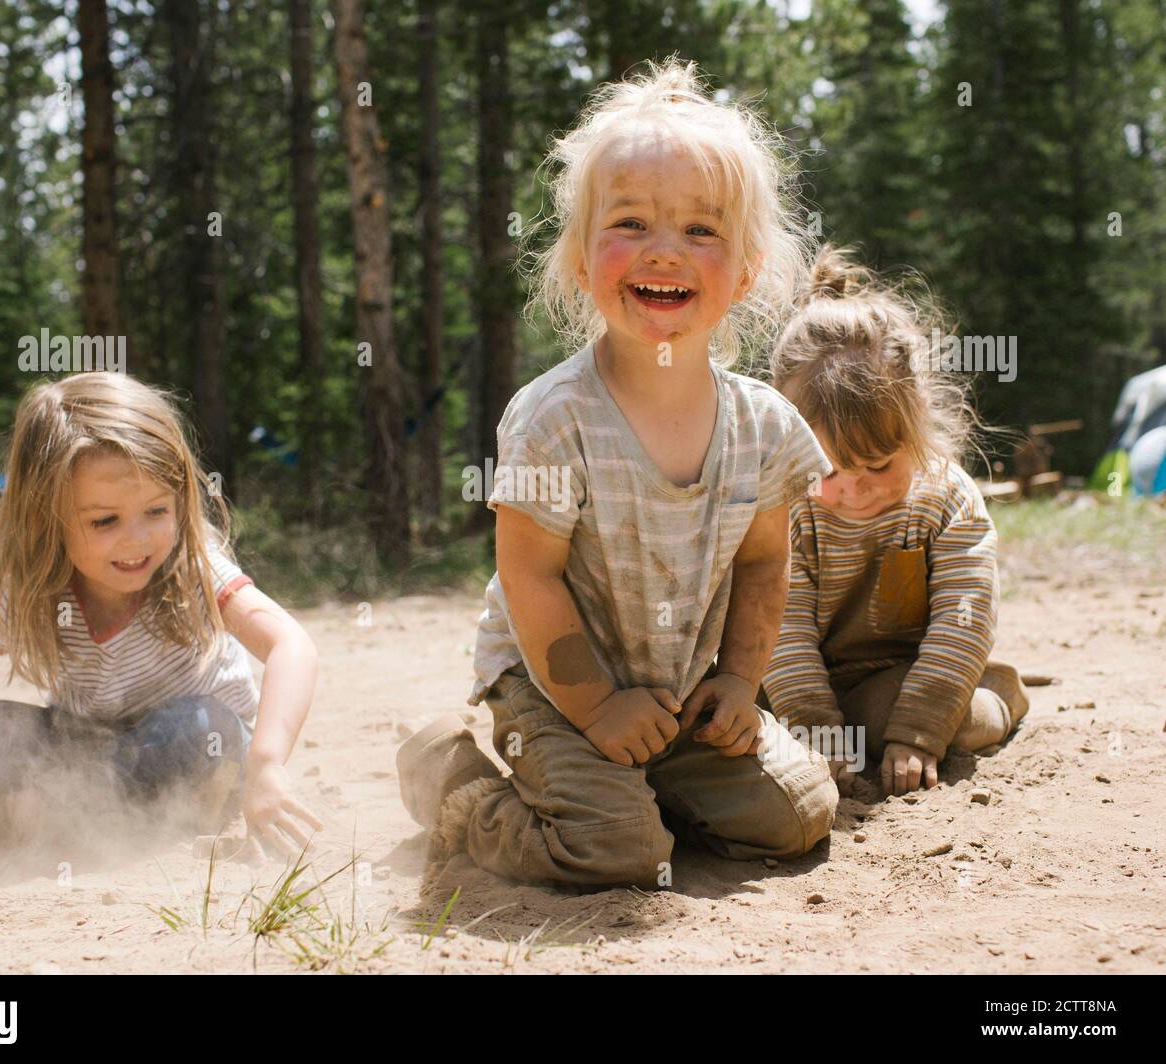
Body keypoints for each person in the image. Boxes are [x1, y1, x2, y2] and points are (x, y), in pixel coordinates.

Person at [397, 59, 838, 889]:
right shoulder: (553, 418)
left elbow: (763, 562)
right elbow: (529, 576)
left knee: (798, 814)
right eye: (630, 222)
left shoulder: (765, 426)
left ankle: (637, 779)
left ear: (746, 270)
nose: (664, 250)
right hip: (547, 684)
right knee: (616, 852)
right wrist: (598, 708)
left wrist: (741, 682)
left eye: (702, 231)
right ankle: (455, 780)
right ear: (577, 261)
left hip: (679, 691)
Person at [0, 372, 322, 855]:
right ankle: (69, 815)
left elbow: (290, 645)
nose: (137, 539)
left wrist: (268, 763)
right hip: (87, 753)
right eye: (105, 520)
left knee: (197, 726)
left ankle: (7, 819)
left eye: (156, 511)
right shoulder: (32, 591)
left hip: (198, 754)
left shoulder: (193, 566)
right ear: (46, 518)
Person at [763, 245, 1029, 798]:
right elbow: (780, 630)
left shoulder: (946, 500)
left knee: (954, 715)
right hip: (799, 683)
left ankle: (997, 698)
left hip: (914, 678)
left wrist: (919, 732)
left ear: (919, 425)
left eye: (880, 465)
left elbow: (964, 617)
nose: (856, 491)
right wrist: (816, 729)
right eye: (829, 471)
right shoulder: (787, 507)